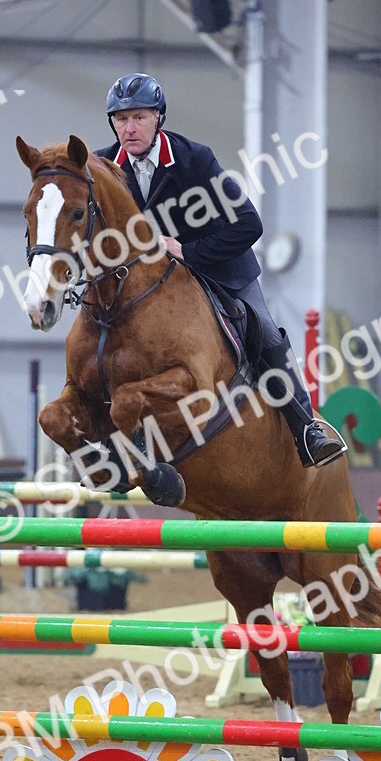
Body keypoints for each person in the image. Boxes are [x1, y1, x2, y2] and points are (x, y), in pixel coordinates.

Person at [95, 72, 345, 468]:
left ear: (159, 117)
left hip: (218, 271)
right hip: (150, 284)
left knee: (263, 331)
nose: (129, 129)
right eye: (121, 119)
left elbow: (249, 224)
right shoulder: (104, 167)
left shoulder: (195, 160)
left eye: (139, 117)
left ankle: (306, 430)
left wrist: (186, 250)